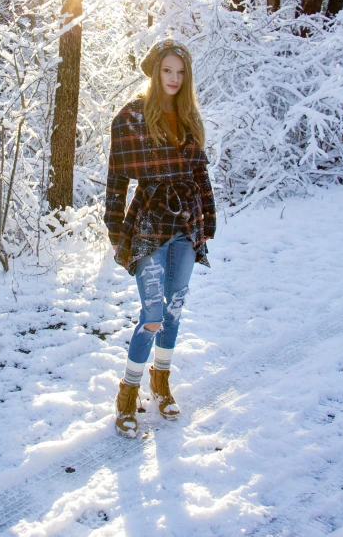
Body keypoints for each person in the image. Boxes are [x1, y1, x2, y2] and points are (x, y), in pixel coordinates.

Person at [104, 38, 216, 438]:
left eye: (180, 71)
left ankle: (161, 381)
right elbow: (117, 179)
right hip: (149, 227)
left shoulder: (189, 117)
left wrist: (209, 222)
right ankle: (128, 391)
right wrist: (116, 231)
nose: (173, 78)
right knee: (152, 313)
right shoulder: (131, 118)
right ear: (154, 72)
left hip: (185, 224)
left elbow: (200, 174)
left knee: (175, 309)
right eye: (167, 70)